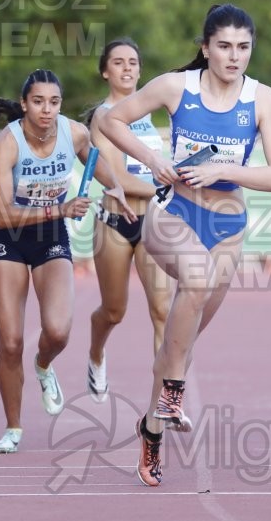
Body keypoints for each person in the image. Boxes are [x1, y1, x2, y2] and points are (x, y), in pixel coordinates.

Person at [100, 4, 271, 486]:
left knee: (179, 345)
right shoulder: (176, 87)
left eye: (244, 47)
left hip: (227, 224)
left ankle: (150, 426)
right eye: (224, 46)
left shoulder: (262, 98)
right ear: (205, 48)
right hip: (173, 213)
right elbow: (111, 121)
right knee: (196, 280)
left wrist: (222, 170)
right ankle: (174, 393)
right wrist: (151, 157)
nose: (234, 57)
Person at [0, 69, 135, 453]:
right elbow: (2, 217)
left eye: (54, 102)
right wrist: (60, 209)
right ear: (24, 104)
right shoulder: (7, 143)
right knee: (10, 341)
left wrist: (114, 187)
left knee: (57, 333)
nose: (47, 110)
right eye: (38, 102)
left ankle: (42, 366)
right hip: (11, 239)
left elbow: (95, 158)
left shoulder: (74, 132)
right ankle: (13, 427)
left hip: (51, 239)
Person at [83, 38, 172, 403]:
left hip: (151, 225)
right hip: (115, 225)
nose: (127, 68)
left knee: (163, 311)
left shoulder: (150, 118)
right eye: (118, 62)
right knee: (114, 311)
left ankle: (163, 400)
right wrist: (174, 186)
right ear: (106, 71)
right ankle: (96, 353)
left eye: (133, 62)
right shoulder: (103, 119)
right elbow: (118, 179)